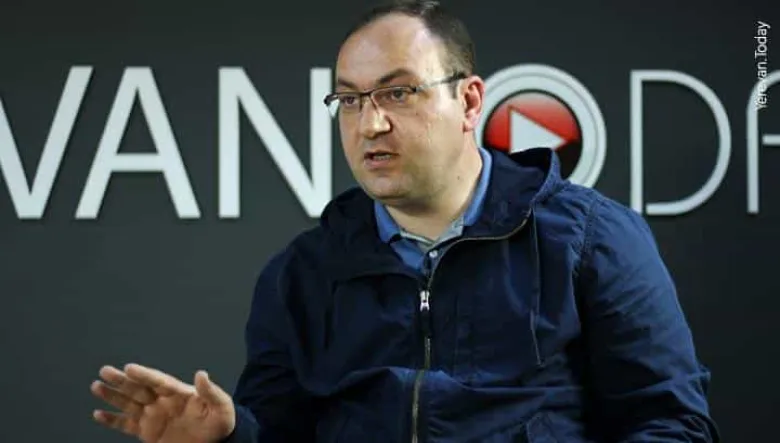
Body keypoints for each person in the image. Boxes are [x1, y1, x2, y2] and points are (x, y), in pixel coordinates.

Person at [89, 1, 720, 441]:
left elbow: (672, 424)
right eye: (350, 99)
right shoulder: (305, 271)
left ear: (468, 100)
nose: (370, 124)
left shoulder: (591, 239)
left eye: (398, 92)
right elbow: (279, 432)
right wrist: (227, 438)